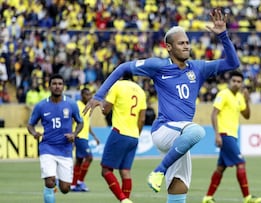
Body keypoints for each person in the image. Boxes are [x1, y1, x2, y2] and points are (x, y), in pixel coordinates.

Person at [83, 8, 240, 203]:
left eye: (187, 43)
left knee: (179, 189)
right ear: (169, 47)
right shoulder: (158, 66)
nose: (186, 46)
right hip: (164, 130)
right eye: (181, 43)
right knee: (198, 132)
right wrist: (99, 95)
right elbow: (123, 67)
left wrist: (223, 35)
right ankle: (158, 171)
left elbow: (233, 63)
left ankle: (162, 174)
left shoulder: (198, 68)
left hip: (180, 137)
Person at [202, 71, 261, 203]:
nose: (236, 84)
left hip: (232, 135)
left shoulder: (240, 97)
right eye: (234, 81)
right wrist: (217, 134)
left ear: (242, 84)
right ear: (230, 82)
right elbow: (214, 114)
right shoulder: (223, 94)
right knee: (241, 163)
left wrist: (247, 100)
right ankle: (247, 197)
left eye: (239, 82)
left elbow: (247, 116)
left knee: (220, 168)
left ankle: (208, 197)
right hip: (225, 134)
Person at [27, 74, 84, 203]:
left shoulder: (71, 104)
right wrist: (34, 133)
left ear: (63, 86)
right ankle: (52, 183)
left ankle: (57, 182)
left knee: (65, 189)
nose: (57, 86)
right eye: (54, 84)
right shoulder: (41, 106)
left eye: (59, 84)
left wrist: (74, 134)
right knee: (49, 181)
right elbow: (30, 124)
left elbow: (80, 122)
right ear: (49, 86)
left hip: (65, 149)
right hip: (47, 147)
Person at [100, 72, 147, 203]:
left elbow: (105, 110)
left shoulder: (117, 86)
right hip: (134, 136)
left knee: (106, 170)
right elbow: (142, 119)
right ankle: (126, 200)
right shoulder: (141, 91)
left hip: (119, 132)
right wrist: (137, 133)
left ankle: (123, 199)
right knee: (125, 171)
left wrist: (101, 104)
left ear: (120, 76)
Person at [71, 87, 100, 192]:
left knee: (79, 160)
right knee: (89, 157)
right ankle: (80, 181)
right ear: (82, 95)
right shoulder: (77, 105)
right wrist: (72, 135)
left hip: (85, 137)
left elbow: (87, 123)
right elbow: (72, 120)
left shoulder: (88, 106)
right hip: (79, 136)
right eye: (87, 95)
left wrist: (94, 136)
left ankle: (73, 185)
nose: (89, 97)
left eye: (90, 95)